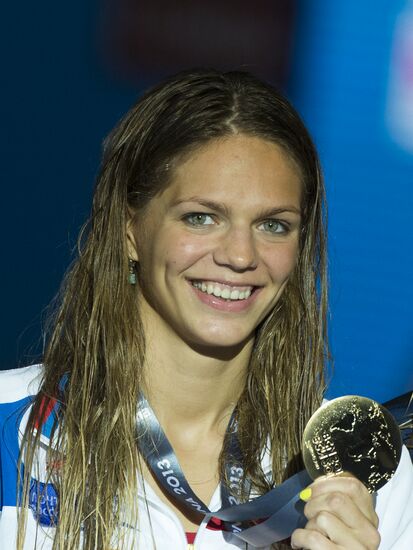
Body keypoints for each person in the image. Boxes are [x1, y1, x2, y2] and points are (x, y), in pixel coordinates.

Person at [0, 69, 412, 550]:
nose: (240, 256)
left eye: (274, 225)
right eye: (202, 217)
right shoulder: (9, 428)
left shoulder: (361, 475)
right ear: (130, 229)